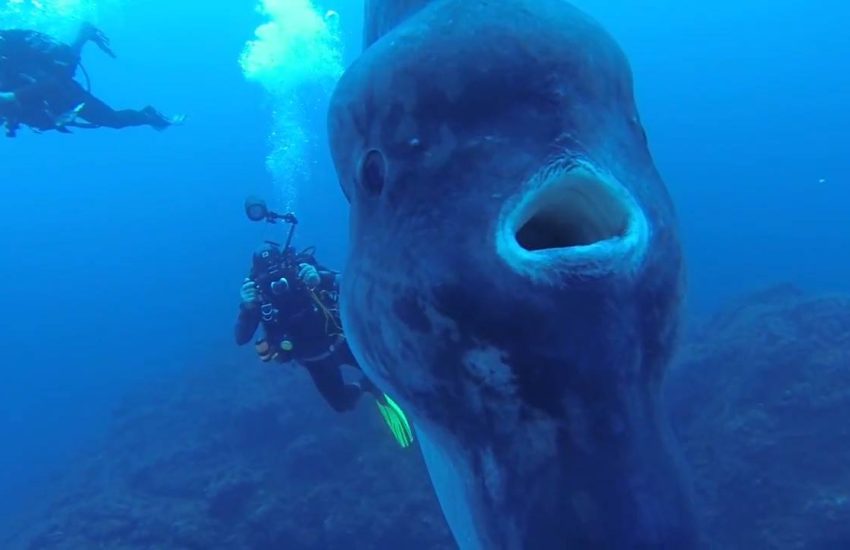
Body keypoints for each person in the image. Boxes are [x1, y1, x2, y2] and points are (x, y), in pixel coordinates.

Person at [235, 241, 413, 448]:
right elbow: (241, 337)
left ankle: (386, 385)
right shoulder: (260, 298)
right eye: (268, 278)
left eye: (280, 272)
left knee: (390, 369)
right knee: (342, 403)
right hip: (315, 361)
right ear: (257, 279)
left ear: (286, 263)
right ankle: (369, 385)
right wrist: (248, 307)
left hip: (341, 340)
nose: (278, 283)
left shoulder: (301, 271)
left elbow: (347, 283)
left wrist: (321, 278)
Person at [0, 22, 183, 137]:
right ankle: (84, 34)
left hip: (61, 88)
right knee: (65, 68)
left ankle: (149, 116)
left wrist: (11, 97)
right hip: (45, 94)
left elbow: (52, 83)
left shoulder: (10, 59)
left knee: (113, 120)